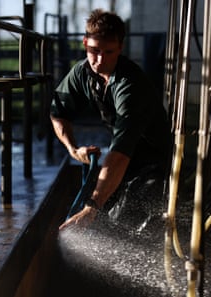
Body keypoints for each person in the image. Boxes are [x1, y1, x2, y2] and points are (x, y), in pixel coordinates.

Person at [50, 9, 171, 230]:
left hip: (155, 163)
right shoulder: (82, 73)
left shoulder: (130, 86)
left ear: (120, 48)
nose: (99, 60)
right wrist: (74, 149)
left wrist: (92, 206)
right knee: (101, 212)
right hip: (125, 157)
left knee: (120, 221)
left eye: (109, 52)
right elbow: (58, 112)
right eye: (94, 50)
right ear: (85, 43)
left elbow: (120, 153)